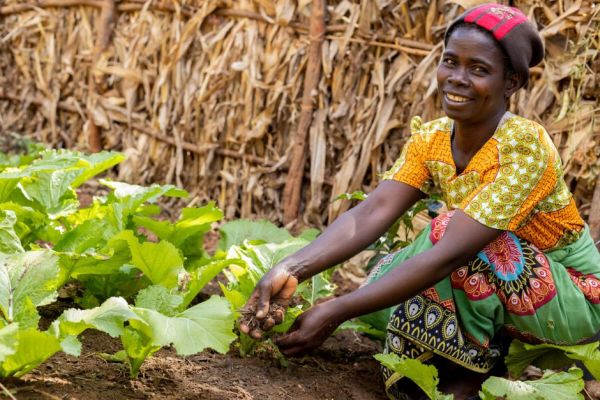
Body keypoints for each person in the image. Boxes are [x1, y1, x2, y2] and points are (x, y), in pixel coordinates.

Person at [240, 3, 600, 399]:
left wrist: (336, 310)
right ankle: (478, 348)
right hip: (489, 273)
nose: (457, 79)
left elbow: (449, 254)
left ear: (510, 83)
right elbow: (373, 211)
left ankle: (462, 379)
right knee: (386, 276)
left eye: (478, 70)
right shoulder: (432, 138)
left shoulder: (524, 147)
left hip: (576, 294)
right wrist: (292, 266)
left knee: (450, 240)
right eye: (450, 62)